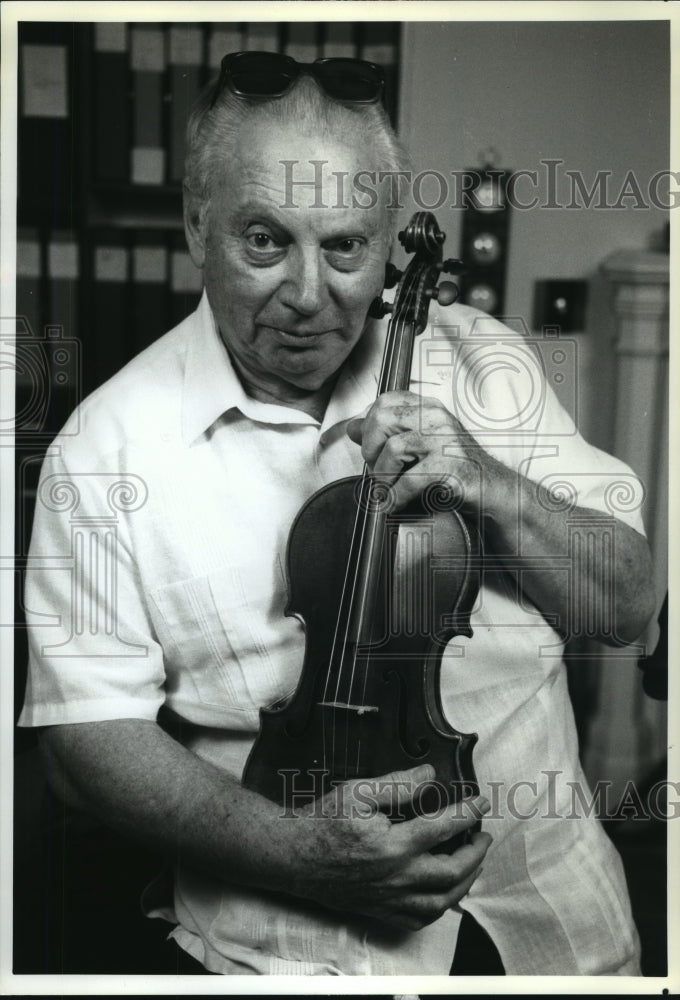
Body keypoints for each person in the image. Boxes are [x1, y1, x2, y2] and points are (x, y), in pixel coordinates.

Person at [19, 52, 655, 976]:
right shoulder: (102, 449)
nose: (312, 296)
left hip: (554, 925)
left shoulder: (489, 366)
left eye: (347, 247)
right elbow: (84, 742)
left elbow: (629, 605)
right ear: (199, 227)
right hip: (288, 950)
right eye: (266, 241)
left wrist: (487, 480)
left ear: (391, 238)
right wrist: (303, 855)